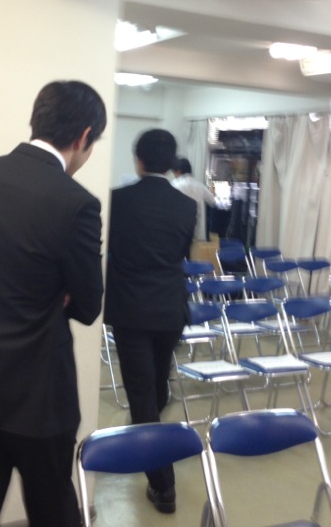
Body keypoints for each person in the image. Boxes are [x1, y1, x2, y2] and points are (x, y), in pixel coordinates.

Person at [0, 80, 107, 527]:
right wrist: (56, 292)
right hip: (38, 392)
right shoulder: (77, 203)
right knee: (52, 509)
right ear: (84, 136)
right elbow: (88, 305)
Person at [104, 129, 196, 515]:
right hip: (170, 310)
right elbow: (180, 254)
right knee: (157, 386)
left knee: (143, 394)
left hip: (131, 312)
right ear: (171, 163)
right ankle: (147, 430)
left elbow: (111, 250)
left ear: (138, 161)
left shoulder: (117, 201)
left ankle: (163, 485)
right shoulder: (187, 206)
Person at [171, 157, 216, 242]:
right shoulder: (199, 185)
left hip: (178, 231)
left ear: (178, 171)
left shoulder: (174, 184)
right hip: (197, 232)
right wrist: (212, 193)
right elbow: (212, 202)